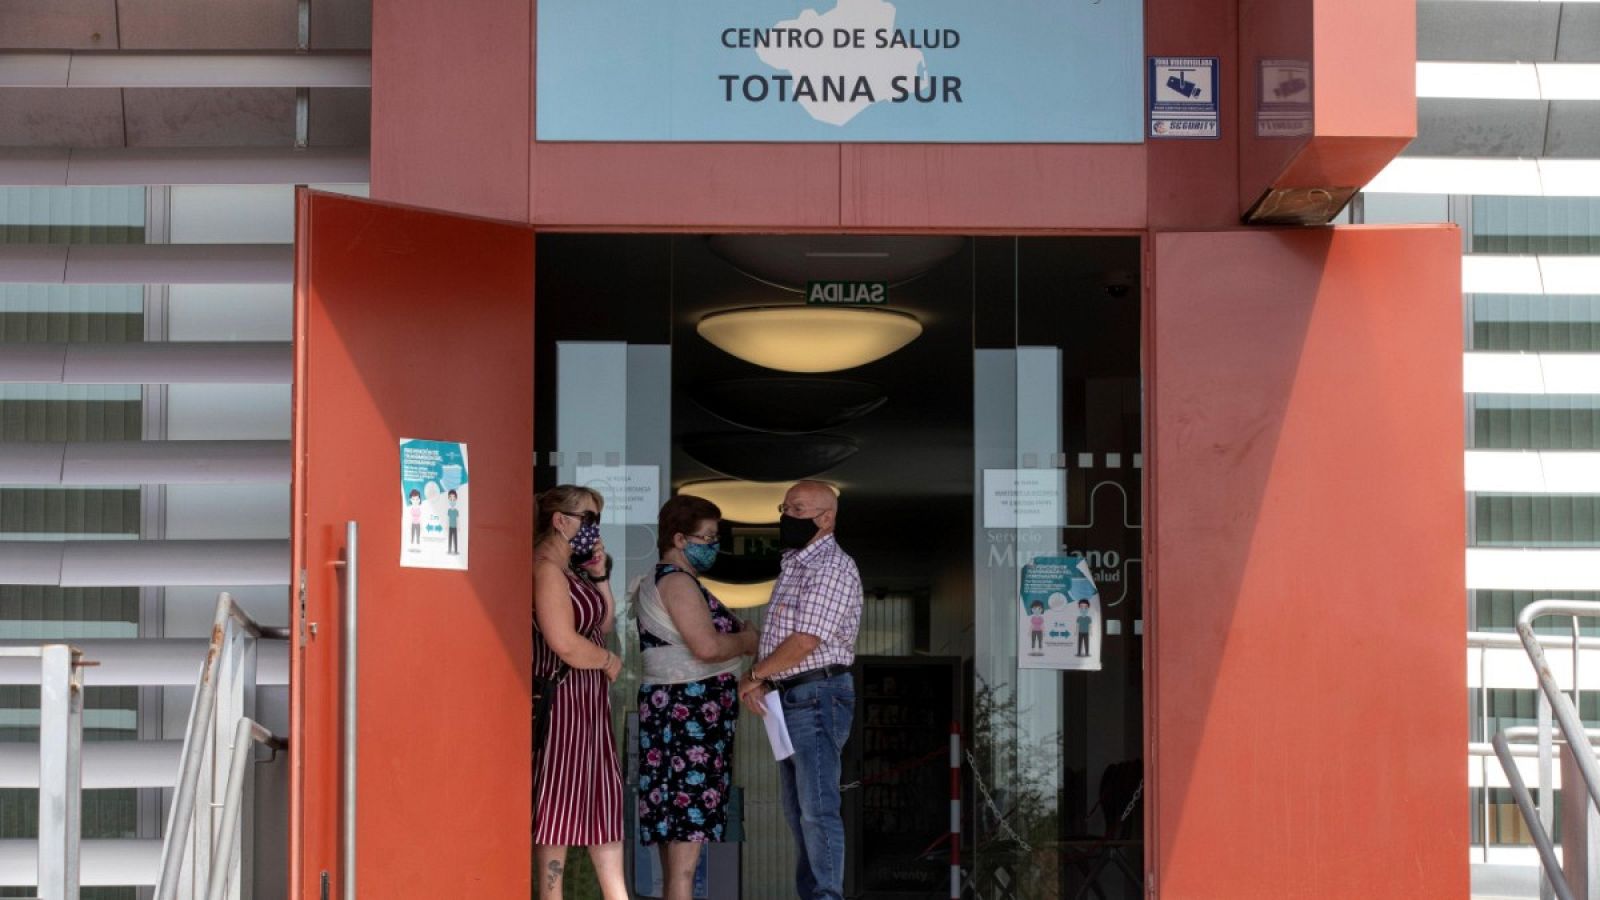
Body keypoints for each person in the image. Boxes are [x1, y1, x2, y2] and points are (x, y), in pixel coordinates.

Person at [737, 480, 863, 900]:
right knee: (798, 810)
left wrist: (756, 673)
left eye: (798, 509)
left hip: (817, 695)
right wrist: (768, 679)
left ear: (825, 517)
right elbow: (787, 639)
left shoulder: (832, 567)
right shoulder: (796, 564)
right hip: (792, 696)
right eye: (785, 507)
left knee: (816, 807)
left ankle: (827, 896)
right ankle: (812, 893)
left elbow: (806, 640)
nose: (787, 517)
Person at [635, 495, 760, 900]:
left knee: (679, 845)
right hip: (688, 720)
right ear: (678, 538)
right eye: (704, 537)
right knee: (686, 848)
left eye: (714, 537)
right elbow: (705, 647)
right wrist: (747, 640)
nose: (712, 545)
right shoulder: (677, 581)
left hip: (678, 717)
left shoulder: (663, 580)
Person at [532, 485, 626, 900]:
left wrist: (600, 575)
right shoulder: (546, 570)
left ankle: (616, 893)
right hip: (564, 699)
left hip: (588, 702)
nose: (595, 528)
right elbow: (564, 642)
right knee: (560, 803)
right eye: (588, 518)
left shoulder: (570, 570)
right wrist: (606, 661)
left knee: (600, 798)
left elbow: (600, 625)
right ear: (560, 521)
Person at [446, 489, 460, 554]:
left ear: (456, 500)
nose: (452, 501)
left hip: (455, 527)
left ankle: (456, 550)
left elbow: (457, 519)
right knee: (450, 538)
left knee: (455, 539)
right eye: (450, 499)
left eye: (453, 499)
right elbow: (448, 519)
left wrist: (458, 526)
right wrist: (447, 526)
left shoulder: (456, 511)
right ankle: (449, 550)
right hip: (450, 527)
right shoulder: (449, 511)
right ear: (448, 500)